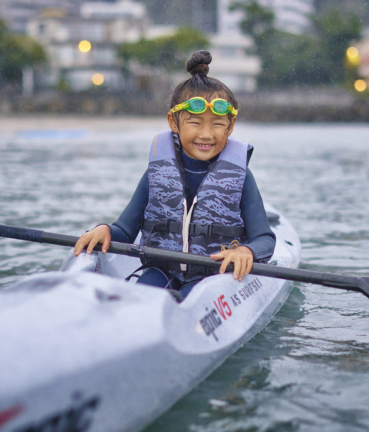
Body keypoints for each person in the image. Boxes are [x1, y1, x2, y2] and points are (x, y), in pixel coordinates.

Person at [74, 50, 276, 299]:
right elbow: (124, 231)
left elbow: (264, 239)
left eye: (217, 123)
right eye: (195, 122)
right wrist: (103, 229)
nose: (206, 134)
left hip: (212, 277)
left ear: (230, 126)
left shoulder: (241, 176)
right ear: (173, 122)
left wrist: (247, 252)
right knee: (139, 296)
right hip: (161, 270)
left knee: (192, 297)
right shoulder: (156, 173)